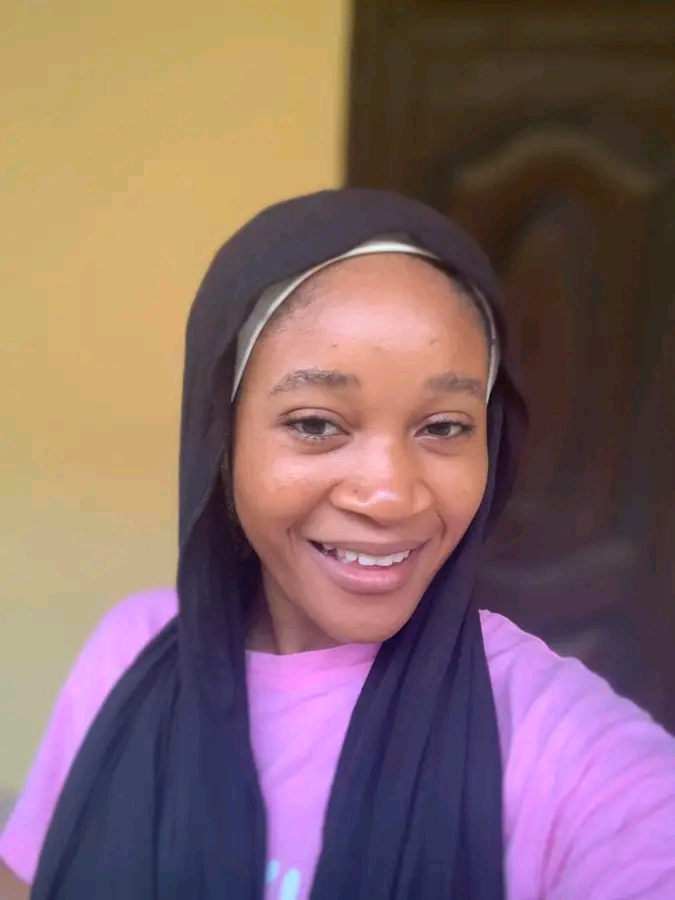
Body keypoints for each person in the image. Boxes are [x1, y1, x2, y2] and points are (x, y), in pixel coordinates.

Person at [1, 189, 674, 900]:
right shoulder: (132, 650)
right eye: (316, 424)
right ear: (222, 442)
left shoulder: (560, 745)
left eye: (444, 427)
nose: (389, 496)